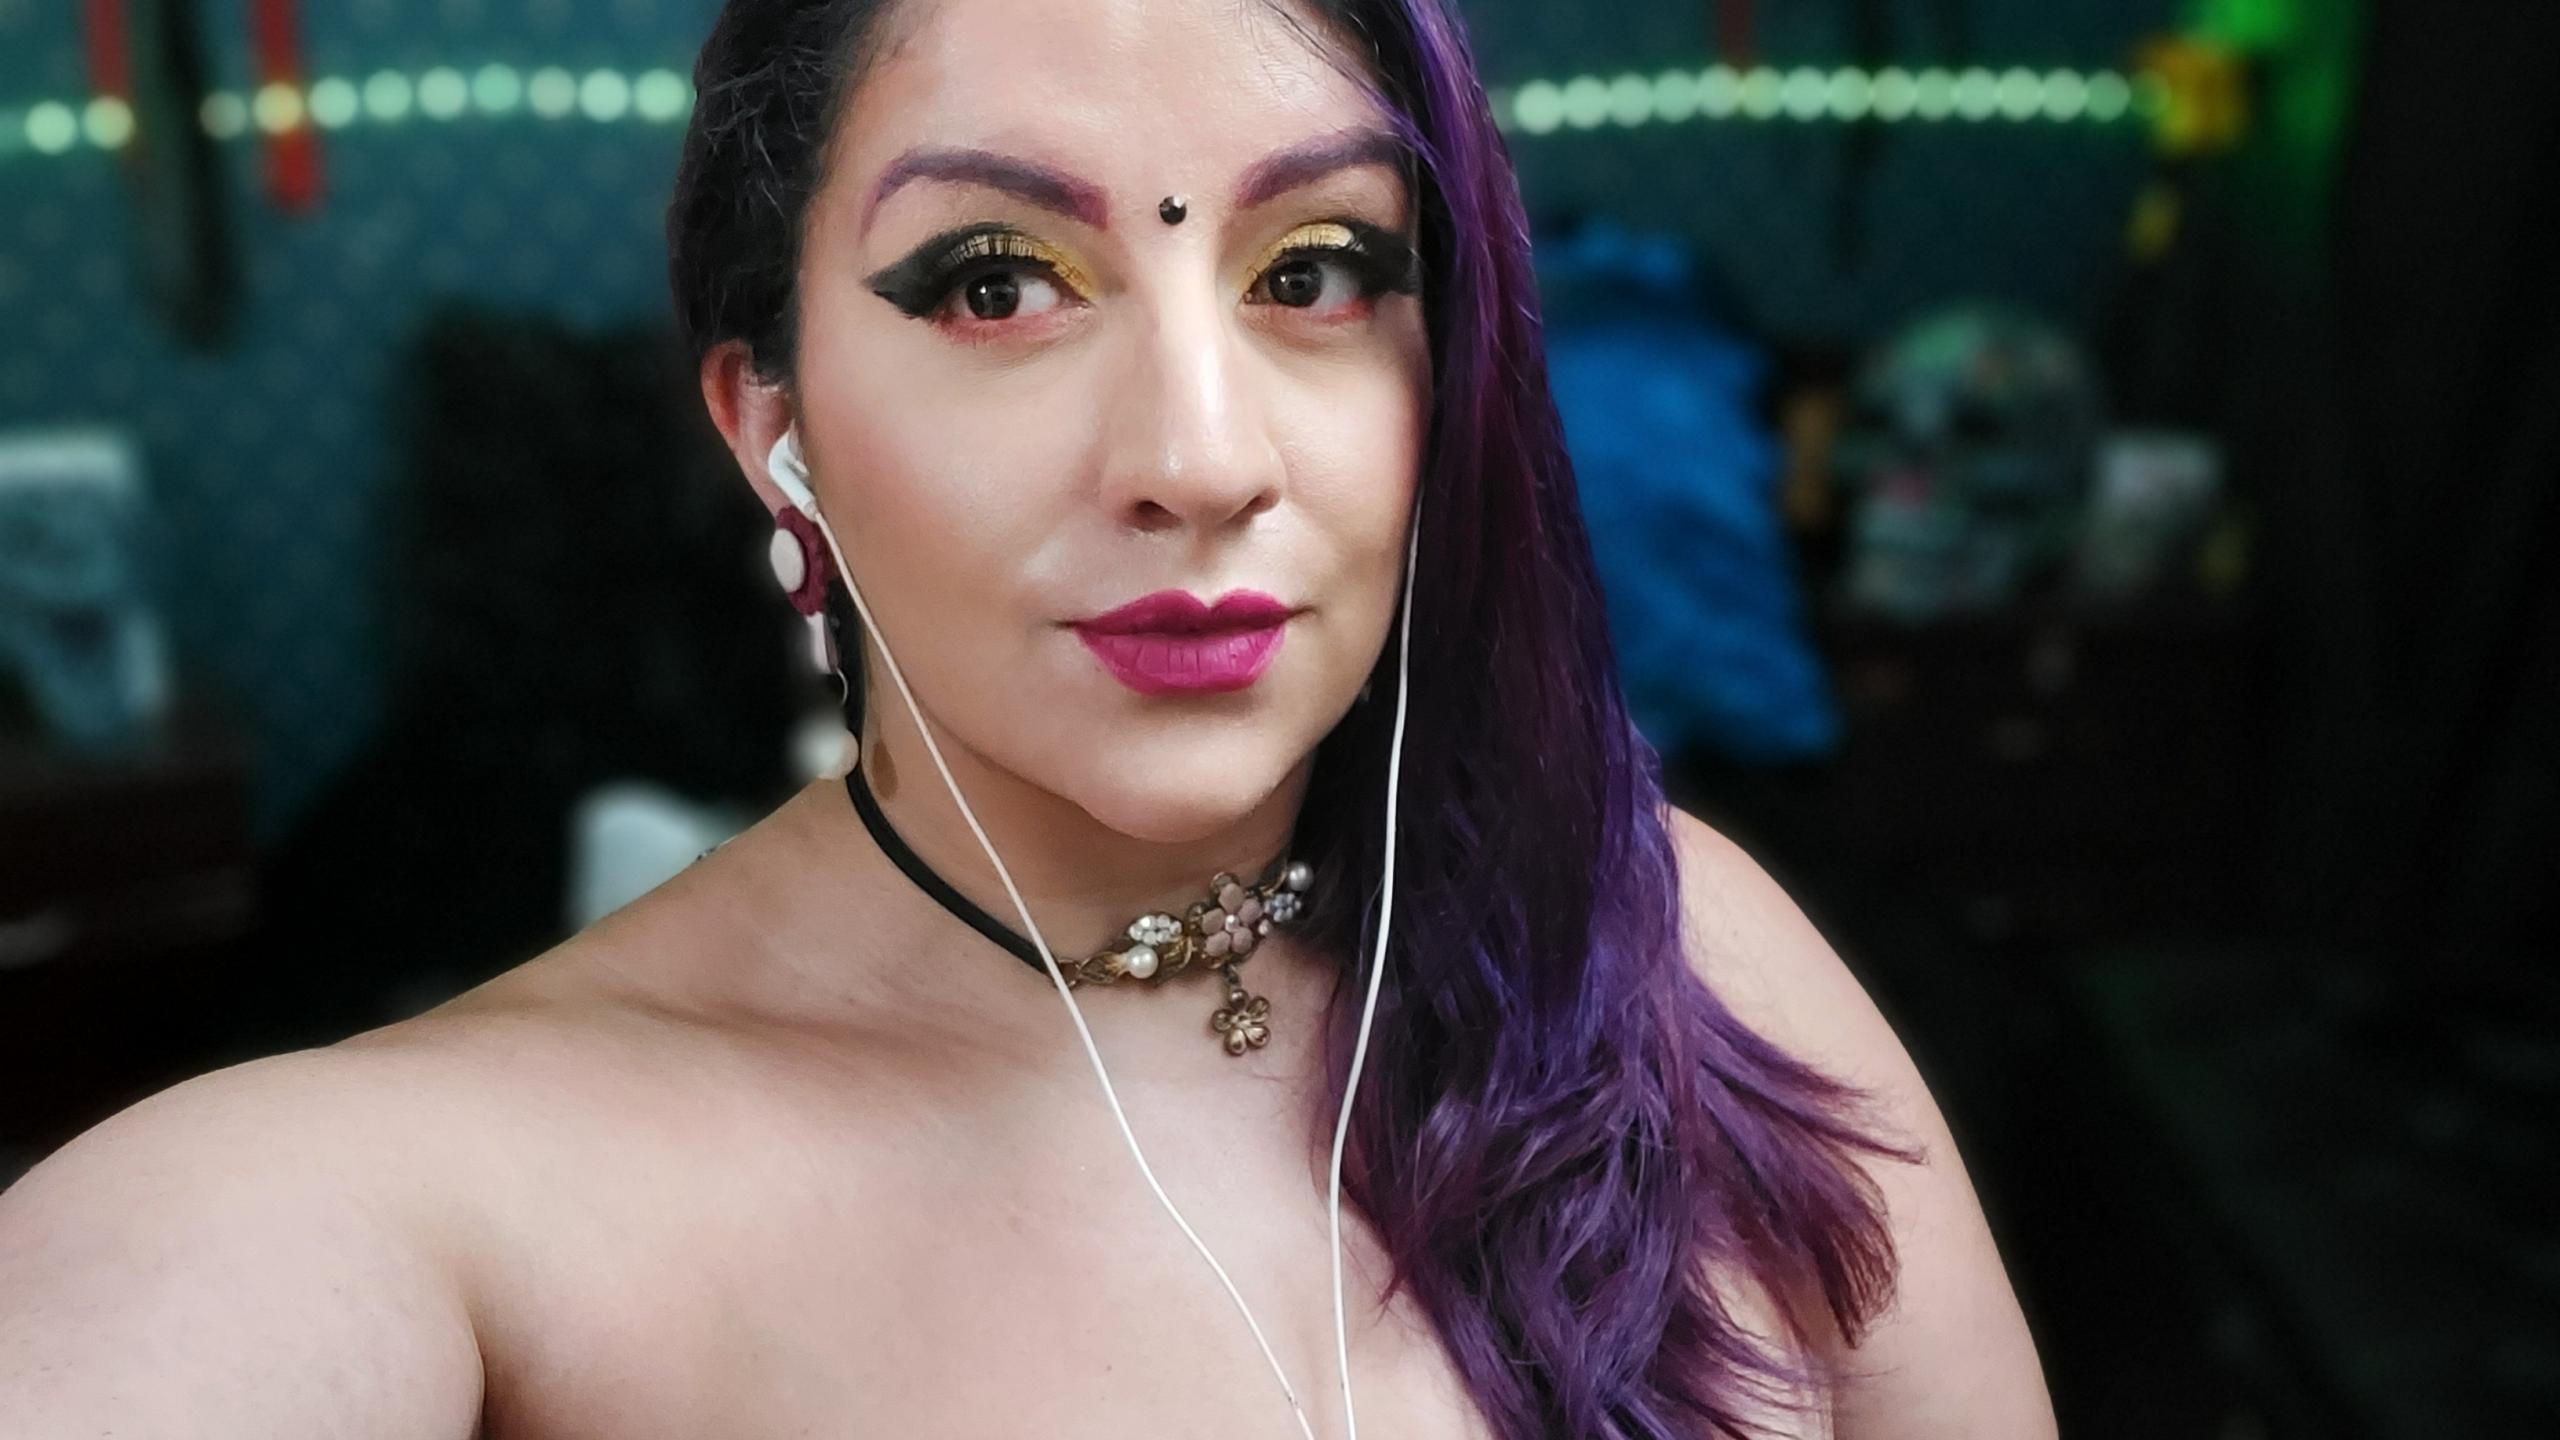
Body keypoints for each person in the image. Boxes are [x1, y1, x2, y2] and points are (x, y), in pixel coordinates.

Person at [0, 1, 2052, 1436]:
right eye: (994, 283)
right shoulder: (414, 1199)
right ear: (773, 427)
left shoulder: (1681, 947)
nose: (1198, 458)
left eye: (1318, 269)